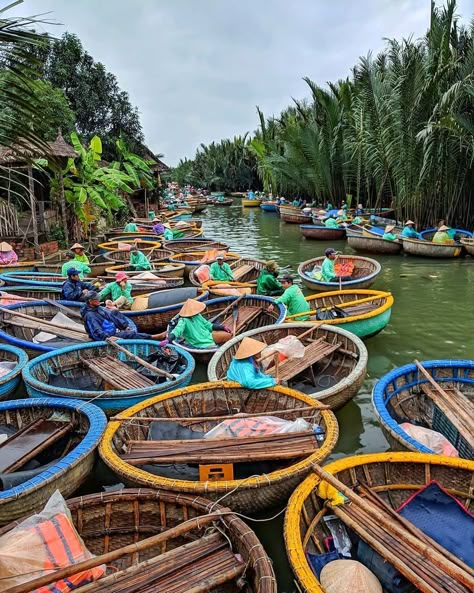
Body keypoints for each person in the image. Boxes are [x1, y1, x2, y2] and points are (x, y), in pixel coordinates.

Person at [81, 291, 162, 341]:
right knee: (130, 334)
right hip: (108, 335)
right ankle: (154, 337)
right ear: (90, 301)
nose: (98, 300)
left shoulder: (98, 308)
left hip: (111, 329)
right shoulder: (90, 315)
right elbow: (96, 331)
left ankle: (125, 328)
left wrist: (124, 327)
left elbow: (111, 317)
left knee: (115, 312)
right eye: (96, 299)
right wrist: (107, 338)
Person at [161, 299, 232, 349]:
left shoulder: (197, 316)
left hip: (208, 336)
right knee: (215, 348)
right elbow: (177, 331)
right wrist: (168, 339)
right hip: (199, 342)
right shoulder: (183, 321)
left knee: (228, 336)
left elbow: (208, 325)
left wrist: (222, 327)